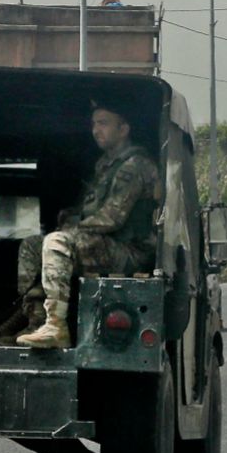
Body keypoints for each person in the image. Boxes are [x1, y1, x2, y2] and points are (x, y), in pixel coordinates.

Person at [14, 102, 159, 350]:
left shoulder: (135, 165)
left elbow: (112, 218)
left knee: (57, 242)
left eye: (103, 123)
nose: (95, 130)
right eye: (94, 124)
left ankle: (56, 326)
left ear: (123, 129)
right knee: (32, 245)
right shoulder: (105, 165)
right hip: (104, 245)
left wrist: (70, 230)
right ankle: (36, 321)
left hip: (129, 252)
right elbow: (91, 212)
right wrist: (70, 217)